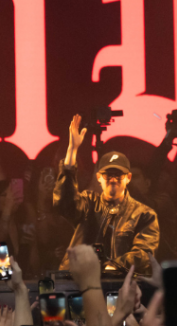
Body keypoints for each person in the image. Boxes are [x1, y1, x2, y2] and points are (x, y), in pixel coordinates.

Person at [55, 115, 159, 274]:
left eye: (118, 175)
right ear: (98, 177)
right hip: (81, 280)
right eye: (108, 174)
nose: (113, 179)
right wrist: (72, 151)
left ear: (128, 178)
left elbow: (144, 254)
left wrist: (112, 266)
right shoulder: (88, 202)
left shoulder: (144, 214)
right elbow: (65, 203)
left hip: (121, 283)